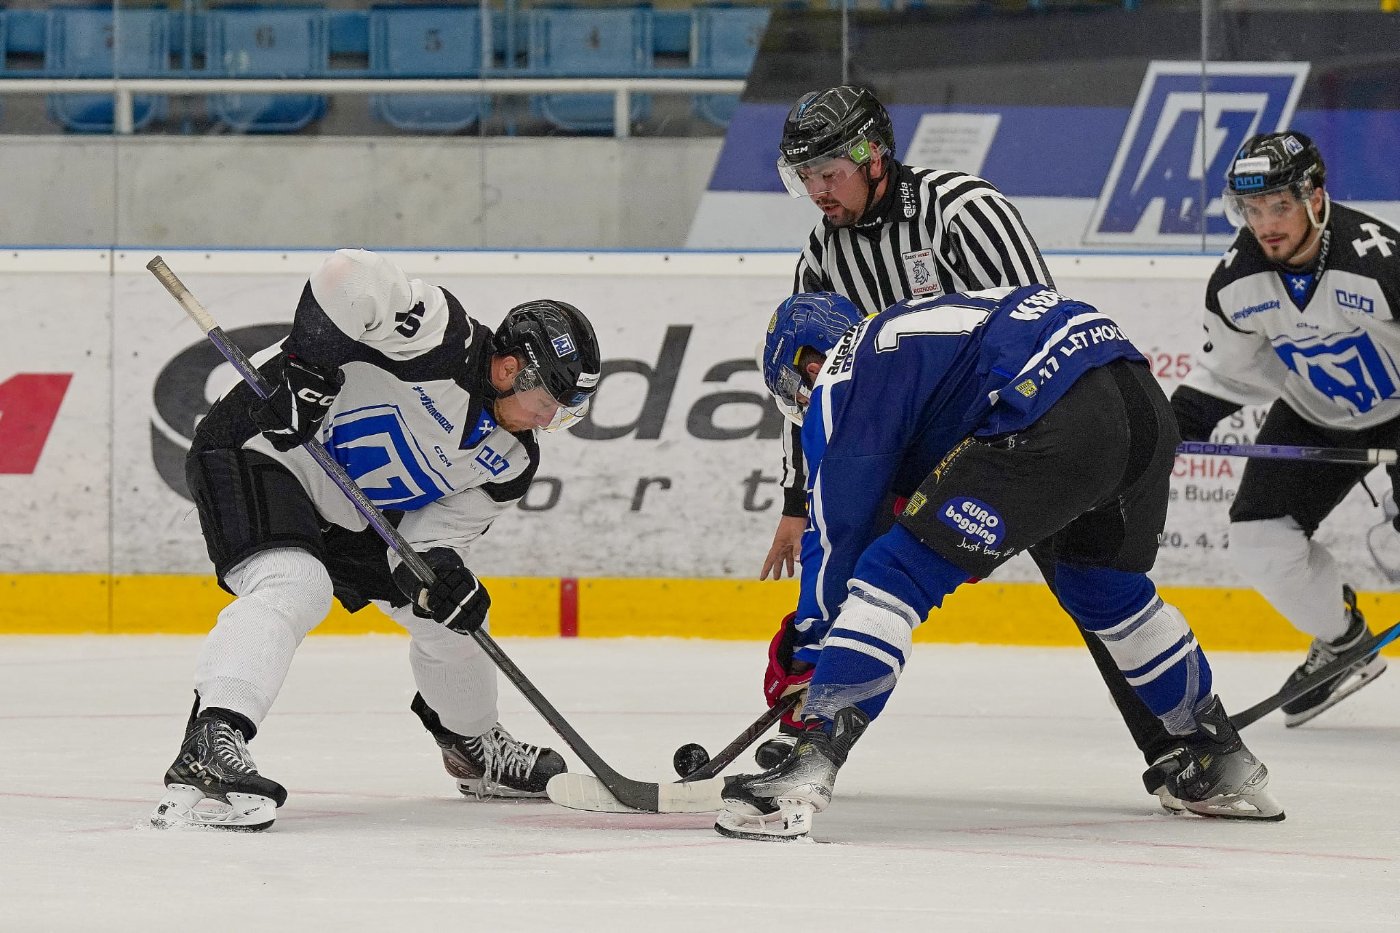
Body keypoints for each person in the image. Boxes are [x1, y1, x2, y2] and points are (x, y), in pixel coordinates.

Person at [717, 288, 1284, 842]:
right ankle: (1220, 756)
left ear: (808, 365)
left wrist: (810, 655)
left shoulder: (842, 373)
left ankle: (809, 764)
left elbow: (837, 539)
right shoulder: (913, 337)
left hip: (1053, 408)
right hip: (1139, 399)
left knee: (891, 577)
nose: (803, 408)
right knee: (1104, 589)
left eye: (793, 394)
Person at [754, 83, 1178, 795]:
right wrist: (798, 498)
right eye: (806, 177)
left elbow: (1040, 321)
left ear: (874, 156)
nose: (818, 191)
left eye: (829, 172)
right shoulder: (823, 254)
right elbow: (823, 392)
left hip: (1020, 430)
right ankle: (813, 722)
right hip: (919, 440)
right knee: (859, 559)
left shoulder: (961, 210)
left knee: (1084, 578)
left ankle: (1171, 745)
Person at [151, 248, 601, 831]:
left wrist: (441, 575)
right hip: (260, 445)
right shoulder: (442, 334)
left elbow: (426, 543)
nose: (547, 421)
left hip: (350, 513)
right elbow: (347, 274)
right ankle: (213, 739)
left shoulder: (510, 460)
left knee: (453, 621)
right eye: (547, 405)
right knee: (295, 583)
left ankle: (473, 748)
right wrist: (308, 373)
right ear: (511, 368)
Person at [1170, 131, 1395, 726]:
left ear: (1314, 198)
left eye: (1279, 206)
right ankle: (1344, 643)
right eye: (1252, 209)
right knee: (1260, 542)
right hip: (1315, 410)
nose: (1265, 225)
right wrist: (1164, 433)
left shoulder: (1380, 261)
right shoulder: (1237, 280)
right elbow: (1227, 374)